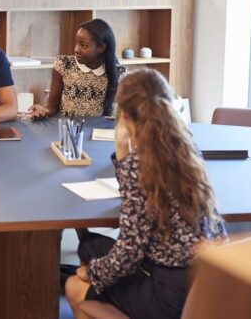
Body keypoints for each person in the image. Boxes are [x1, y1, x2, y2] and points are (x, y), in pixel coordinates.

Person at [65, 68, 227, 319]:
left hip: (168, 296)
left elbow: (129, 252)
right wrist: (123, 155)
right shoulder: (188, 149)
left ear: (124, 116)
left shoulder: (138, 165)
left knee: (74, 286)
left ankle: (97, 298)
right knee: (89, 246)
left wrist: (92, 273)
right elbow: (137, 206)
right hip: (205, 282)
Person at [30, 18, 125, 119]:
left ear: (101, 48)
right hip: (68, 127)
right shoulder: (64, 65)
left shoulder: (119, 74)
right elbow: (52, 106)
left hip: (99, 129)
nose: (76, 49)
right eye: (76, 43)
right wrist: (44, 110)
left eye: (83, 45)